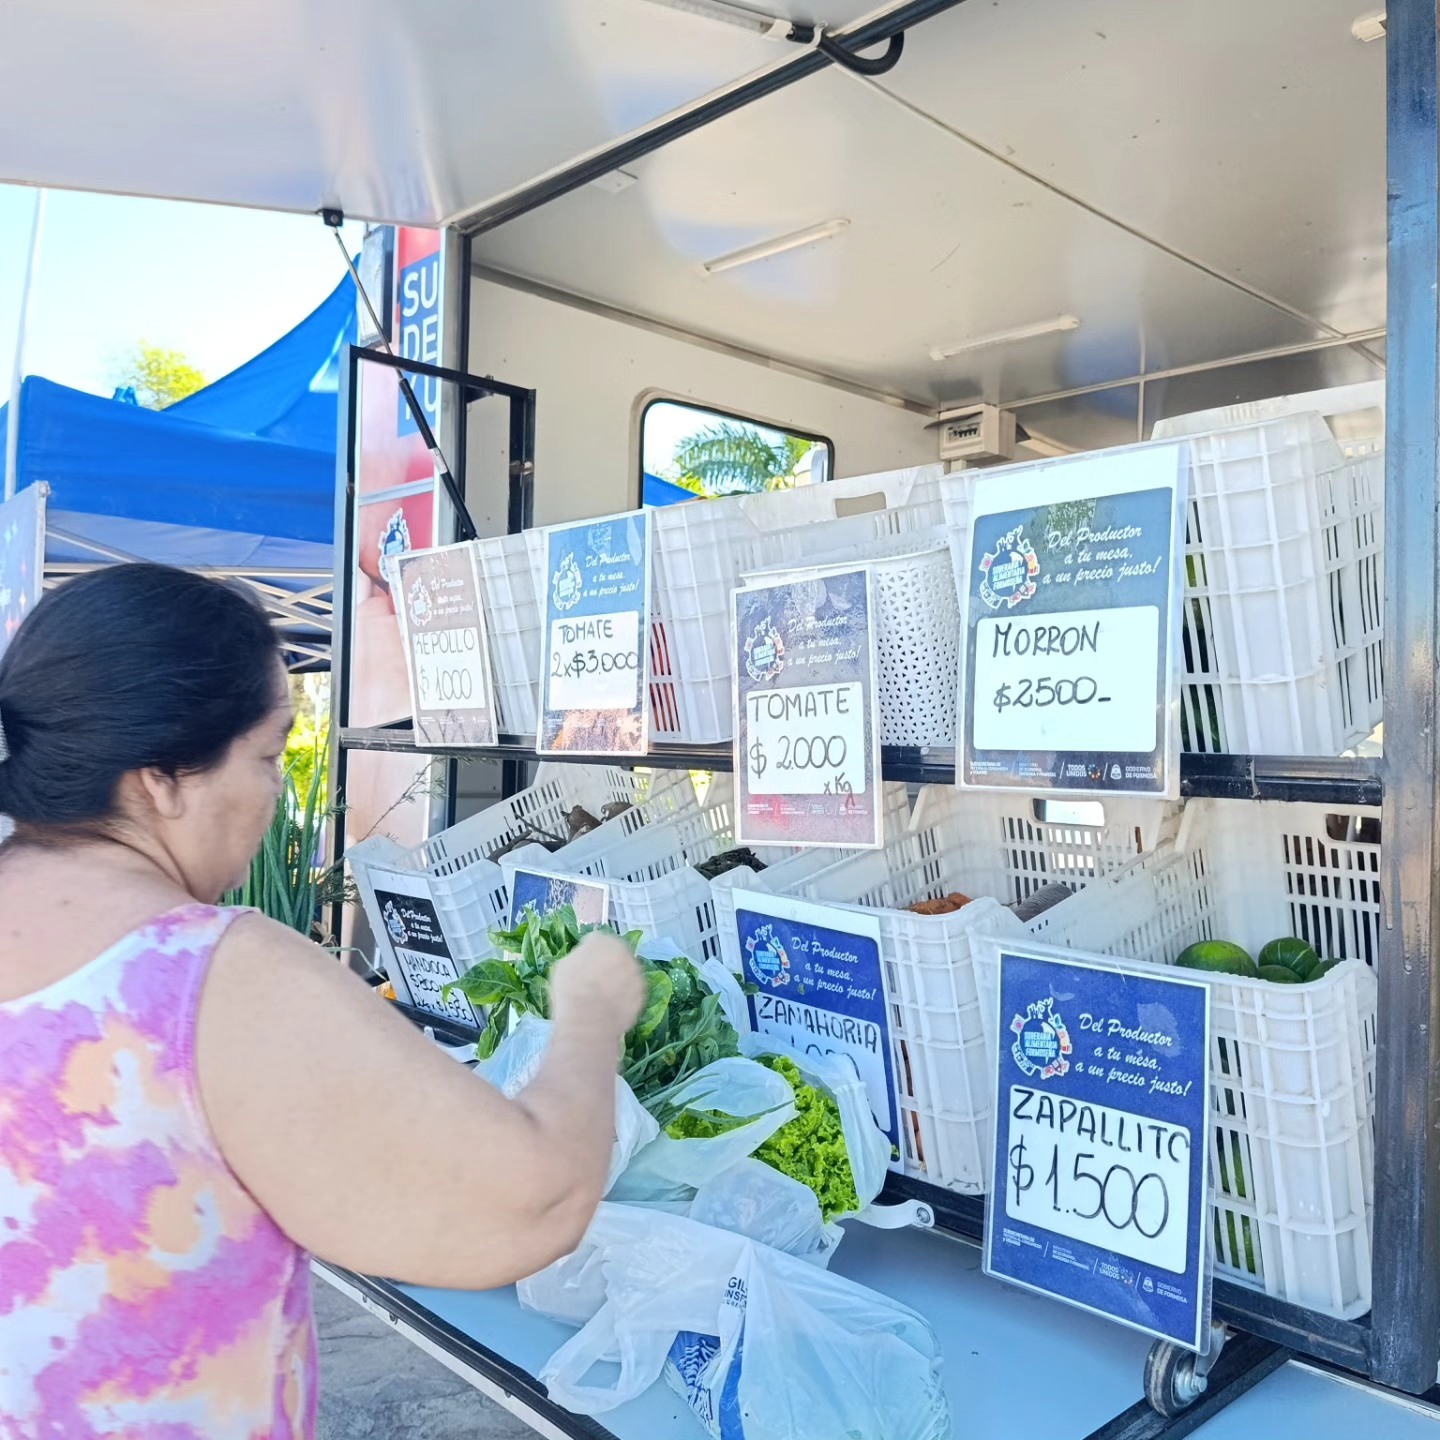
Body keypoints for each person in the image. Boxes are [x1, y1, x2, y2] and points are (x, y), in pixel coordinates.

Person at [0, 563, 645, 1440]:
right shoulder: (210, 977)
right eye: (267, 755)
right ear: (161, 777)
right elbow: (529, 1205)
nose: (274, 792)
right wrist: (591, 1012)